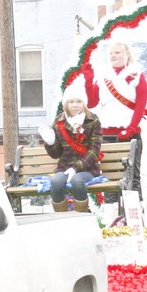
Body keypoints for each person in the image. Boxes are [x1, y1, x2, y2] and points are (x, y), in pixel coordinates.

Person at [88, 40, 147, 196]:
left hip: (129, 134)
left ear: (126, 54)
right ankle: (112, 211)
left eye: (117, 52)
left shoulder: (136, 75)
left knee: (132, 176)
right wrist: (88, 83)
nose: (114, 56)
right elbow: (92, 102)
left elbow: (141, 104)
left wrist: (131, 129)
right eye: (111, 53)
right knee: (109, 177)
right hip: (107, 134)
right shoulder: (103, 76)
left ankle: (135, 212)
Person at [37, 76, 103, 213]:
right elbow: (56, 154)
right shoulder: (59, 122)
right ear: (65, 104)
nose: (75, 105)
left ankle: (82, 216)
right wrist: (50, 142)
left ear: (84, 103)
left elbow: (94, 150)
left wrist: (76, 168)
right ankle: (62, 218)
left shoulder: (93, 120)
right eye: (71, 101)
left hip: (88, 169)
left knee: (77, 181)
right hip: (64, 168)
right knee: (56, 183)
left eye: (79, 101)